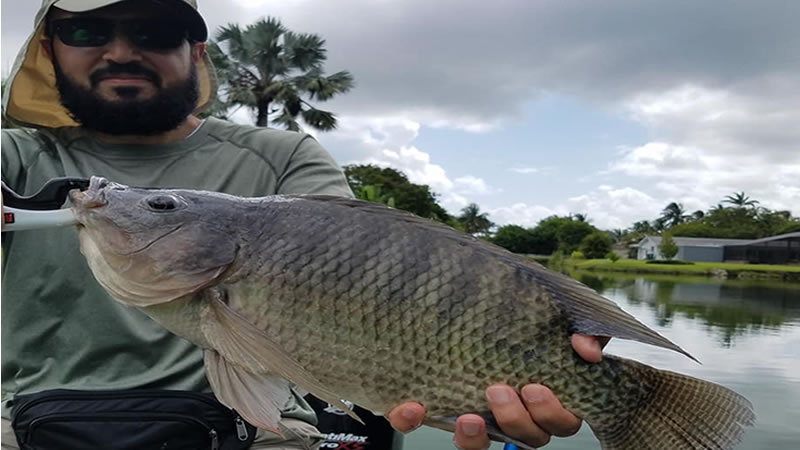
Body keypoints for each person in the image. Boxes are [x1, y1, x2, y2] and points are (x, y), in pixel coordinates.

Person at [0, 1, 606, 449]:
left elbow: (375, 280)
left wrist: (551, 337)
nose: (121, 51)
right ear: (49, 50)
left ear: (197, 52)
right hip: (22, 431)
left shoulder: (285, 156)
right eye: (86, 30)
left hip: (257, 434)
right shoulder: (15, 156)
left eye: (154, 31)